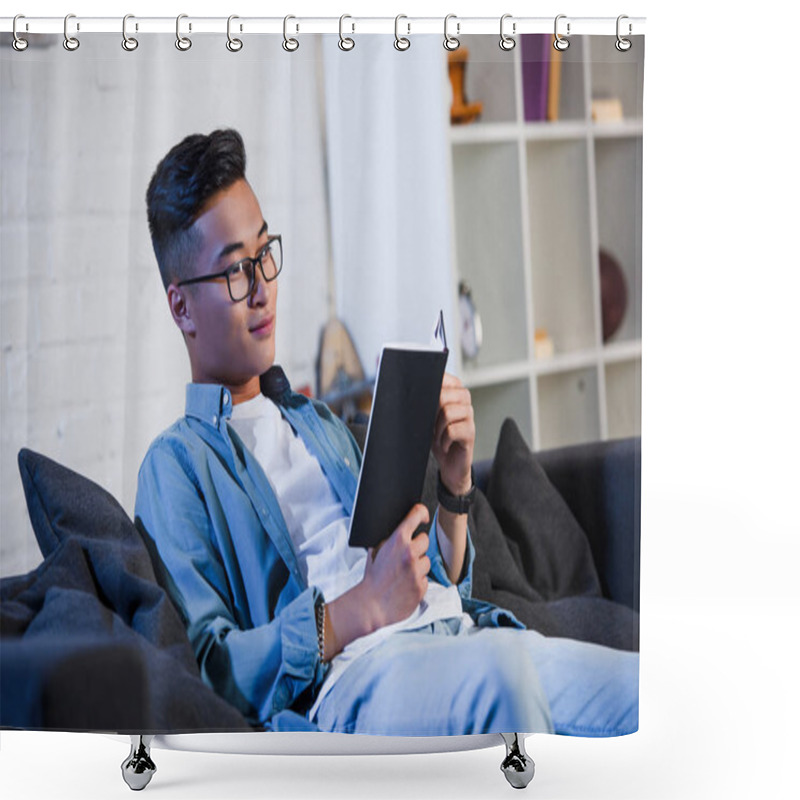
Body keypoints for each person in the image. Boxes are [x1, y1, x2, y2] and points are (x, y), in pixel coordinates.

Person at [136, 128, 638, 737]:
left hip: (458, 633)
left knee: (643, 692)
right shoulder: (178, 466)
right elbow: (210, 668)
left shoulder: (322, 425)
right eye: (236, 273)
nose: (264, 289)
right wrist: (361, 609)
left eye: (265, 254)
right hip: (355, 680)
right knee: (504, 678)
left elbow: (441, 577)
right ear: (180, 307)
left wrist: (454, 486)